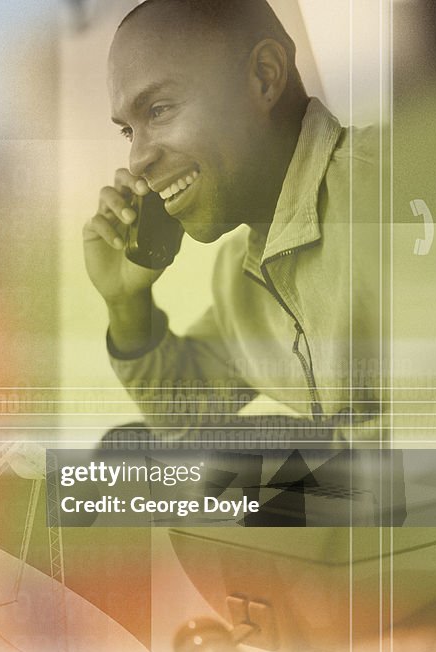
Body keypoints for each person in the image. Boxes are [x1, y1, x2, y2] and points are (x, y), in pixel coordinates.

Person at [84, 0, 393, 447]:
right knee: (127, 452)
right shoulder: (241, 274)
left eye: (159, 110)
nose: (136, 162)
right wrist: (126, 302)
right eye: (129, 131)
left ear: (264, 77)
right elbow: (182, 412)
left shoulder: (389, 189)